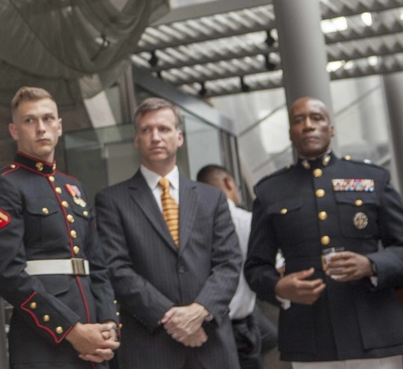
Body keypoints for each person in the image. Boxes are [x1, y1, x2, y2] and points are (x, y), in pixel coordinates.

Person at [244, 96, 403, 368]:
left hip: (376, 334)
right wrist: (279, 287)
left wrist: (372, 264)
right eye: (299, 120)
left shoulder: (372, 178)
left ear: (331, 128)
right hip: (310, 339)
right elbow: (256, 267)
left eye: (316, 118)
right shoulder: (269, 191)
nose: (308, 125)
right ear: (291, 133)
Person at [0, 86, 120, 368]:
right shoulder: (4, 185)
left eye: (47, 119)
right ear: (14, 130)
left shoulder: (74, 187)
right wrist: (71, 330)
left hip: (95, 340)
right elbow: (8, 273)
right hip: (44, 341)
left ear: (59, 126)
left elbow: (98, 266)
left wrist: (108, 325)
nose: (40, 128)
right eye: (29, 121)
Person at [94, 97, 241, 369]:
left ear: (180, 137)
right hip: (150, 347)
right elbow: (116, 268)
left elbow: (229, 263)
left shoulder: (212, 199)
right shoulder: (112, 201)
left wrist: (199, 312)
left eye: (164, 129)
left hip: (211, 342)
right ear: (136, 140)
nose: (155, 137)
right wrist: (173, 318)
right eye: (146, 130)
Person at [197, 164, 277, 369]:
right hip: (239, 325)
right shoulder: (247, 221)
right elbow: (276, 267)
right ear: (228, 183)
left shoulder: (195, 224)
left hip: (207, 323)